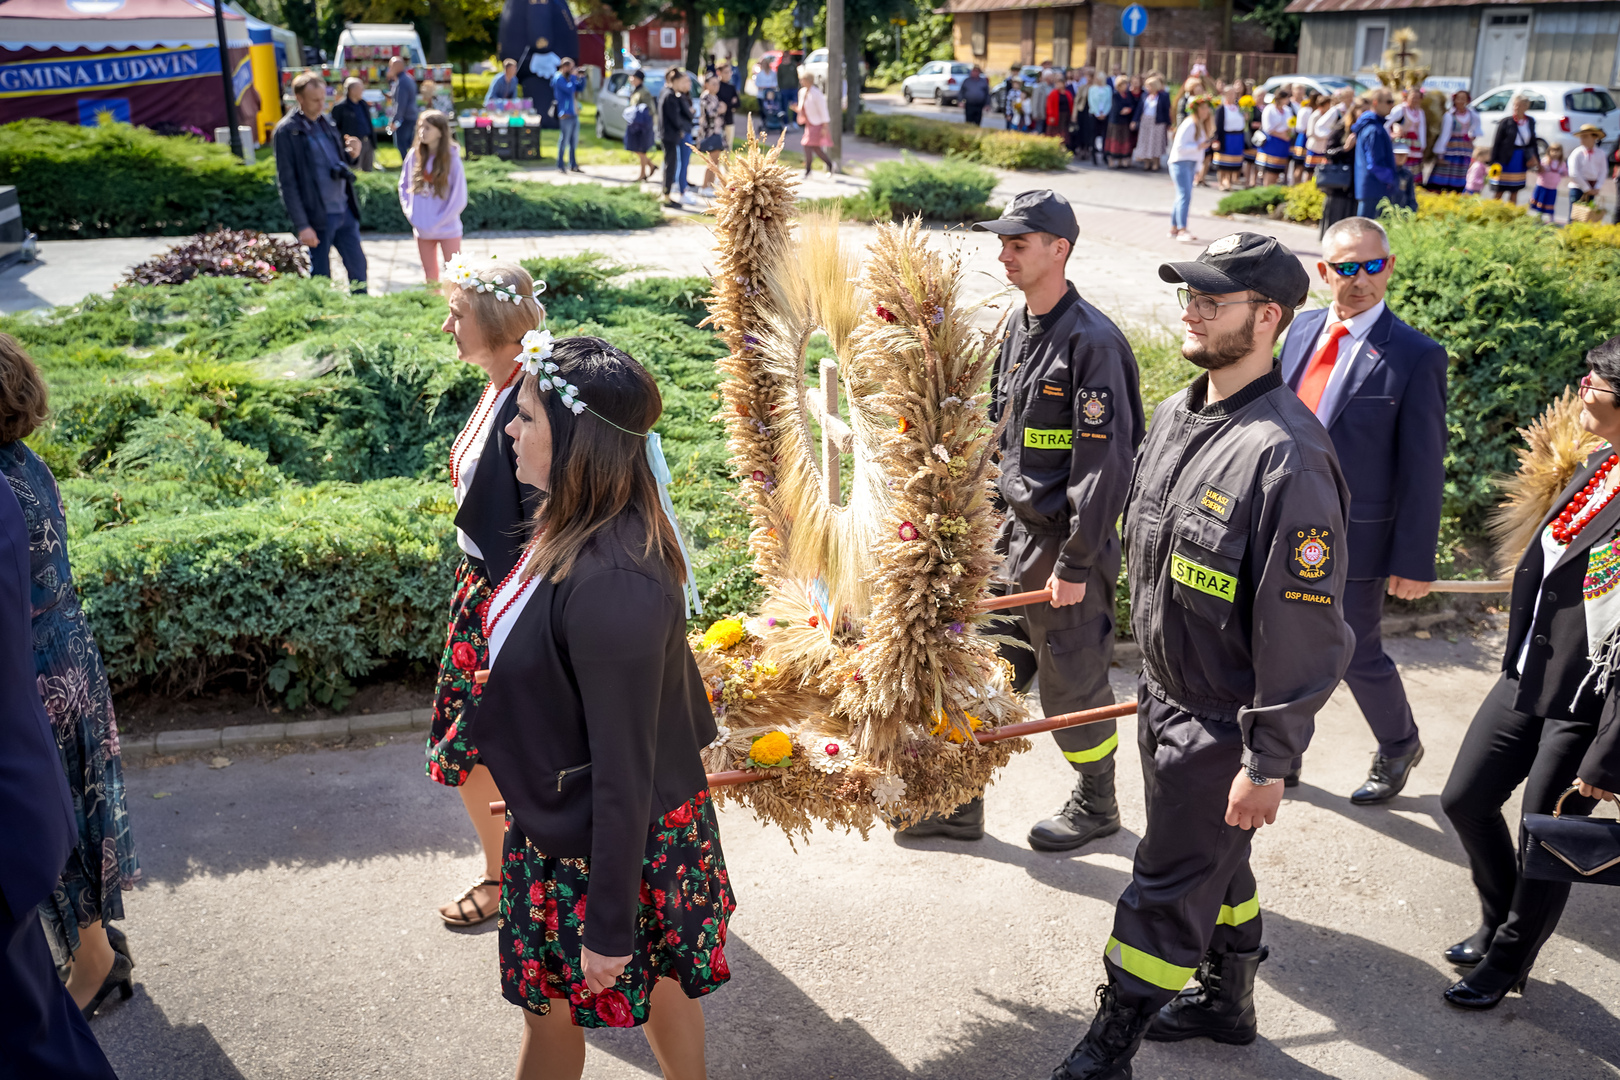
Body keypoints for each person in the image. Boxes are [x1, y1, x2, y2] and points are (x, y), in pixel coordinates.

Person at [1051, 233, 1352, 1079]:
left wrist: (1268, 760)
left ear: (1268, 317)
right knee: (1217, 858)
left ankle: (1110, 1042)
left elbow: (1304, 630)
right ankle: (1229, 1000)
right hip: (1164, 695)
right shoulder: (1179, 415)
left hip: (1224, 722)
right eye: (1189, 296)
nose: (1192, 312)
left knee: (1166, 877)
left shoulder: (1287, 455)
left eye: (1212, 301)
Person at [466, 335, 732, 1080]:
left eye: (526, 416)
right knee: (660, 986)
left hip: (608, 839)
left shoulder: (613, 580)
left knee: (559, 1015)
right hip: (585, 819)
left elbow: (624, 768)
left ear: (577, 441)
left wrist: (609, 925)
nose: (509, 430)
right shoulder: (578, 525)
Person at [903, 192, 1145, 849]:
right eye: (1002, 243)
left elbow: (1105, 467)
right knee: (981, 671)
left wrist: (1076, 563)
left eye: (1019, 244)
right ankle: (960, 803)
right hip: (1007, 540)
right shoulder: (1018, 326)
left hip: (1063, 547)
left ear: (1059, 249)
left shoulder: (1093, 343)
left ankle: (1098, 804)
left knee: (1073, 683)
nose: (1004, 255)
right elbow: (999, 435)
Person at [1438, 336, 1620, 1010]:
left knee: (1545, 837)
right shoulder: (1600, 462)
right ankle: (1497, 918)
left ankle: (1507, 962)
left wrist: (1609, 755)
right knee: (1464, 799)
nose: (1582, 388)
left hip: (1588, 700)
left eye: (1595, 381)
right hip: (1528, 672)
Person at [1279, 216, 1447, 801]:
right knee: (1282, 642)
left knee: (1355, 650)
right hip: (1287, 524)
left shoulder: (1416, 356)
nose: (1360, 280)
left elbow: (1424, 468)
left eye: (1372, 266)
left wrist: (1414, 560)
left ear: (1390, 267)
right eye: (1346, 268)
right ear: (1323, 272)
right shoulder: (1300, 330)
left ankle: (1399, 744)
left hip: (1360, 536)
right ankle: (1282, 751)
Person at [1, 336, 139, 1022]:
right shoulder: (23, 464)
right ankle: (100, 946)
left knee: (52, 825)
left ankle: (95, 962)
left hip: (34, 673)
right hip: (66, 655)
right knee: (75, 814)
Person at [426, 257, 544, 926]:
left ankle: (507, 881)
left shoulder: (532, 394)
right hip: (482, 587)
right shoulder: (502, 384)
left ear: (496, 323)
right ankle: (512, 874)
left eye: (458, 314)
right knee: (479, 742)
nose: (448, 327)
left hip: (509, 595)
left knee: (474, 743)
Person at [273, 71, 367, 294]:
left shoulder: (326, 122)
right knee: (321, 277)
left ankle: (363, 309)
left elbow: (338, 162)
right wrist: (302, 226)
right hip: (317, 215)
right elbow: (287, 183)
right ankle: (323, 312)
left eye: (323, 99)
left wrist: (352, 154)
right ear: (299, 98)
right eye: (315, 100)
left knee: (359, 268)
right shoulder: (287, 131)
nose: (321, 104)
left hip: (344, 210)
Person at [398, 112, 467, 283]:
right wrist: (412, 214)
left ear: (441, 132)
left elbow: (459, 197)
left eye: (428, 128)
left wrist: (439, 220)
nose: (422, 131)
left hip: (448, 228)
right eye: (420, 127)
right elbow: (404, 186)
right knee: (430, 276)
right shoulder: (414, 156)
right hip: (422, 229)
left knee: (456, 276)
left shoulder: (452, 159)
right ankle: (433, 300)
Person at [1169, 97, 1214, 242]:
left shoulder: (1199, 124)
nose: (1206, 111)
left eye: (1207, 108)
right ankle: (1182, 229)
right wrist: (1198, 146)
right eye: (1203, 108)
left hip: (1189, 163)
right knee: (1185, 196)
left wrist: (1199, 167)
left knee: (1181, 196)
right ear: (1196, 109)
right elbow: (1180, 147)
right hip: (1181, 163)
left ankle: (1174, 228)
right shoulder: (1189, 123)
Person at [1352, 87, 1399, 219]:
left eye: (1392, 102)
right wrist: (1391, 179)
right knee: (1367, 227)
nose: (1392, 105)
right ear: (1375, 103)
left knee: (1366, 226)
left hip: (1371, 187)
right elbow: (1374, 164)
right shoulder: (1373, 129)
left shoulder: (1374, 126)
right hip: (1374, 187)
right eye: (1388, 102)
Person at [1317, 97, 1361, 236]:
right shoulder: (1341, 127)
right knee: (1335, 217)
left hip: (1356, 182)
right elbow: (1328, 152)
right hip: (1339, 182)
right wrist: (1345, 148)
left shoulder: (1366, 130)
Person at [1490, 93, 1539, 205]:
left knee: (1514, 189)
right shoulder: (1506, 122)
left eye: (1519, 105)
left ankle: (1511, 212)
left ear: (1526, 107)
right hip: (1505, 159)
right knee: (1500, 189)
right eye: (1515, 105)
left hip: (1520, 158)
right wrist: (1493, 161)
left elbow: (1533, 142)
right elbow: (1497, 143)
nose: (1516, 108)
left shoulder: (1530, 121)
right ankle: (1493, 210)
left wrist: (1536, 159)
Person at [659, 68, 695, 209]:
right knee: (670, 166)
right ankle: (666, 196)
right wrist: (680, 129)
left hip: (668, 135)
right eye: (681, 82)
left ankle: (666, 194)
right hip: (669, 136)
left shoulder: (668, 93)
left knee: (671, 165)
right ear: (674, 81)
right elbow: (674, 118)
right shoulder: (670, 96)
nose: (683, 85)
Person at [1428, 90, 1478, 192]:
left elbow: (1475, 130)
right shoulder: (1450, 115)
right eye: (1458, 99)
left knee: (1460, 176)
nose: (1460, 101)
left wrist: (1472, 136)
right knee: (1444, 176)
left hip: (1464, 150)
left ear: (1467, 101)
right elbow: (1444, 135)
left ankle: (1456, 194)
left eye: (1463, 99)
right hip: (1450, 149)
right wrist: (1440, 154)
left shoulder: (1472, 115)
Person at [331, 77, 378, 173]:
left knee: (368, 171)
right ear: (352, 90)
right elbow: (335, 129)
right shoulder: (340, 107)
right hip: (352, 145)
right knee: (354, 171)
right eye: (360, 88)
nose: (363, 91)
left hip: (367, 142)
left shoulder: (363, 104)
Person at [551, 58, 585, 173]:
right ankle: (560, 165)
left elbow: (579, 88)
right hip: (565, 114)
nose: (572, 70)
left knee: (573, 141)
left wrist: (582, 77)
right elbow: (570, 89)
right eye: (571, 68)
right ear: (565, 67)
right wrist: (574, 76)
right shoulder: (558, 78)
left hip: (574, 113)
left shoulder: (569, 78)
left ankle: (573, 165)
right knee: (564, 141)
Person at [624, 69, 657, 183]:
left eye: (633, 77)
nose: (631, 79)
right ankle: (651, 165)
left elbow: (650, 109)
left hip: (642, 125)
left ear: (639, 79)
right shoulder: (635, 90)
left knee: (641, 149)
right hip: (635, 124)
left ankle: (642, 174)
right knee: (635, 148)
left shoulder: (644, 92)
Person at [797, 71, 834, 176]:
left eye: (803, 80)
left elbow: (823, 110)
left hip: (817, 124)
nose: (801, 82)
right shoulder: (802, 92)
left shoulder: (816, 93)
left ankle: (808, 170)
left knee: (807, 145)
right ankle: (829, 165)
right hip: (809, 123)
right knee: (815, 148)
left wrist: (825, 126)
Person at [517, 36, 560, 123]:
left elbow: (559, 62)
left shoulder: (550, 56)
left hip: (548, 87)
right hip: (535, 86)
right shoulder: (534, 56)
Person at [697, 73, 727, 197]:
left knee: (716, 161)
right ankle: (705, 185)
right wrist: (721, 109)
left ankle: (710, 184)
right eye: (713, 84)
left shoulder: (715, 97)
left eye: (717, 84)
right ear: (707, 84)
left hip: (717, 132)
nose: (716, 86)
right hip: (709, 133)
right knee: (711, 162)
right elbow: (710, 114)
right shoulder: (706, 97)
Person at [1212, 84, 1246, 190]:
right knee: (1223, 163)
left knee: (1233, 162)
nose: (1232, 96)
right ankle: (1221, 182)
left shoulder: (1239, 108)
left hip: (1237, 137)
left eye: (1233, 94)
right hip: (1226, 137)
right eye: (1229, 94)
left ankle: (1229, 181)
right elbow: (1217, 125)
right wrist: (1216, 140)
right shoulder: (1222, 109)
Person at [1568, 123, 1606, 218]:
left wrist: (1597, 187)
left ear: (1594, 137)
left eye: (1585, 136)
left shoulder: (1600, 153)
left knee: (1588, 216)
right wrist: (1586, 188)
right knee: (1575, 216)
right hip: (1578, 187)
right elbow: (1574, 172)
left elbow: (1603, 171)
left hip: (1593, 188)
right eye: (1581, 136)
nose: (1582, 139)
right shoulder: (1577, 153)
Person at [1256, 85, 1293, 182]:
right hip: (1272, 142)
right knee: (1270, 169)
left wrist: (1288, 134)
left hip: (1283, 143)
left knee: (1277, 170)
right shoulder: (1269, 109)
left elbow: (1291, 124)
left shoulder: (1287, 110)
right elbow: (1267, 128)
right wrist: (1281, 135)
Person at [1133, 76, 1170, 172]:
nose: (1147, 88)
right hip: (1146, 122)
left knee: (1156, 143)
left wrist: (1168, 123)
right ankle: (1147, 162)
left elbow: (1166, 110)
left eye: (1149, 86)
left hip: (1158, 122)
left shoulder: (1163, 96)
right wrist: (1135, 120)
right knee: (1145, 142)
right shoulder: (1145, 95)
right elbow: (1139, 109)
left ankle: (1156, 162)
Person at [388, 55, 419, 158]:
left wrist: (394, 120)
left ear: (397, 67)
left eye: (391, 66)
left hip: (405, 118)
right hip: (411, 116)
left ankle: (408, 163)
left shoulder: (402, 82)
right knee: (410, 143)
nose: (390, 69)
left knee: (401, 144)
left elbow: (401, 104)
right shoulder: (408, 78)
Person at [1103, 77, 1138, 168]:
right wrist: (1123, 110)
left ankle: (1121, 161)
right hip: (1115, 122)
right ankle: (1111, 160)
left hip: (1125, 121)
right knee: (1114, 140)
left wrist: (1129, 109)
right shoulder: (1115, 95)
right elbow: (1116, 107)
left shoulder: (1128, 94)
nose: (1125, 86)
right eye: (1123, 84)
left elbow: (1132, 104)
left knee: (1124, 140)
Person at [1530, 143, 1567, 223]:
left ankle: (1551, 218)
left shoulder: (1561, 164)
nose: (1555, 153)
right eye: (1553, 150)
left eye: (1557, 151)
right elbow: (1539, 170)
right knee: (1541, 202)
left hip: (1553, 187)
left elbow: (1565, 173)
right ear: (1549, 151)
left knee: (1550, 203)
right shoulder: (1545, 161)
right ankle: (1538, 217)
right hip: (1543, 185)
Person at [1086, 75, 1112, 166]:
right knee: (1093, 135)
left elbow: (1109, 102)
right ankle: (1093, 155)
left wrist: (1104, 113)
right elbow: (1091, 102)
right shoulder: (1092, 89)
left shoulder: (1108, 89)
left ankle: (1105, 155)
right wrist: (1097, 113)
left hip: (1105, 114)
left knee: (1105, 135)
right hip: (1094, 114)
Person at [714, 59, 740, 142]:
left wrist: (726, 105)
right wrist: (730, 103)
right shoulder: (716, 86)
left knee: (728, 145)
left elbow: (738, 103)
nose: (728, 74)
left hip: (729, 120)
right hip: (717, 122)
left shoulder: (731, 87)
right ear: (719, 73)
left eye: (730, 72)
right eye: (726, 72)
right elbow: (717, 102)